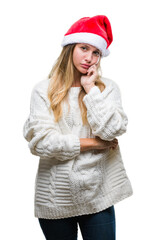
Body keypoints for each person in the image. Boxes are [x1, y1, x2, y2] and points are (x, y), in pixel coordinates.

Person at [23, 15, 133, 240]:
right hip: (56, 197)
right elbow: (42, 143)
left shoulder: (106, 89)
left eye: (96, 53)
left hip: (98, 195)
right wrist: (95, 143)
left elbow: (112, 130)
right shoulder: (43, 91)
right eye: (84, 48)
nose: (90, 58)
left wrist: (91, 90)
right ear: (70, 48)